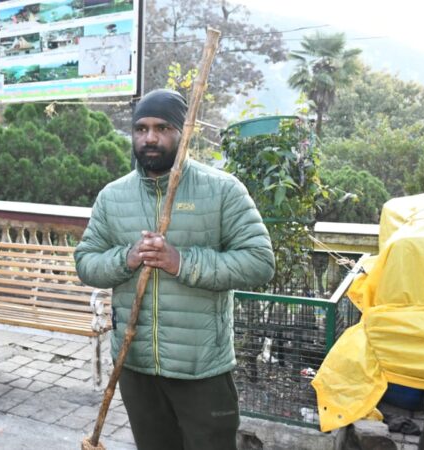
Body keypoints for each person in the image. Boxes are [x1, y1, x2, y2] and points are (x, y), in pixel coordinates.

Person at [74, 89, 275, 450]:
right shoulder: (112, 196)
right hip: (134, 365)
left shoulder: (222, 190)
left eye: (163, 127)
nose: (150, 137)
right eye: (141, 128)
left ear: (185, 131)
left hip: (200, 366)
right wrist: (128, 258)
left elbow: (259, 262)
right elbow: (86, 262)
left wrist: (180, 262)